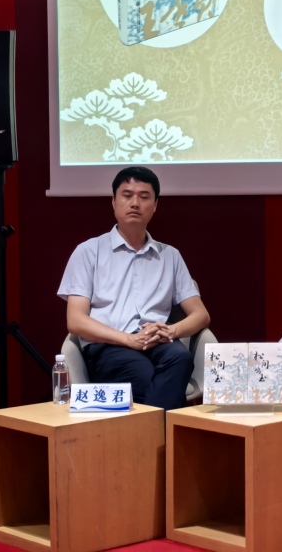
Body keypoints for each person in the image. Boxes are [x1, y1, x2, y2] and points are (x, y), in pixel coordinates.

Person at [58, 166, 210, 410]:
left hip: (156, 343)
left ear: (155, 205)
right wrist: (129, 340)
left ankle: (149, 433)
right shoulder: (88, 252)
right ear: (113, 201)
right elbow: (75, 321)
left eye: (144, 196)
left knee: (180, 358)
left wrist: (170, 331)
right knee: (146, 377)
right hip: (109, 345)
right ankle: (164, 432)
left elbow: (201, 315)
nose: (135, 203)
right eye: (127, 195)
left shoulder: (170, 256)